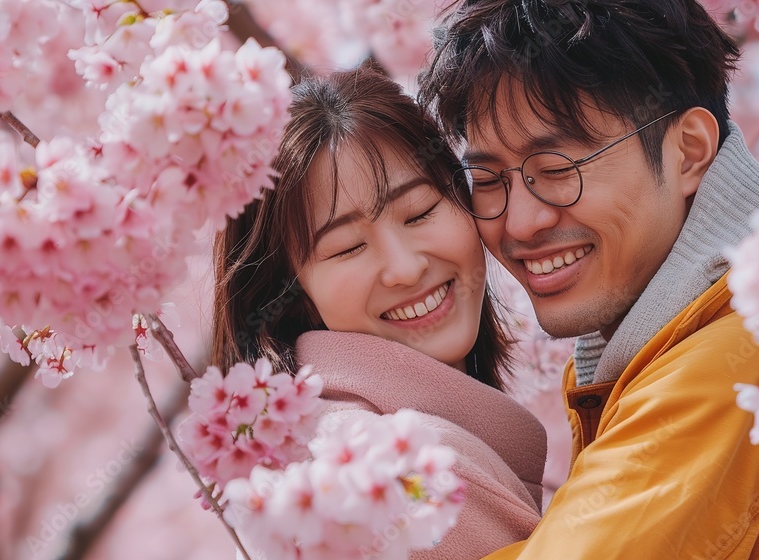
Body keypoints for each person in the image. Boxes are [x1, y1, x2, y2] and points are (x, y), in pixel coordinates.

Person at [418, 0, 759, 558]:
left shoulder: (743, 361)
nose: (521, 222)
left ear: (689, 151)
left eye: (557, 170)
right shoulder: (694, 333)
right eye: (487, 178)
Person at [211, 66, 547, 559]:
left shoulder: (317, 449)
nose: (405, 269)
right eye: (347, 248)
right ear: (293, 293)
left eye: (419, 213)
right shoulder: (402, 470)